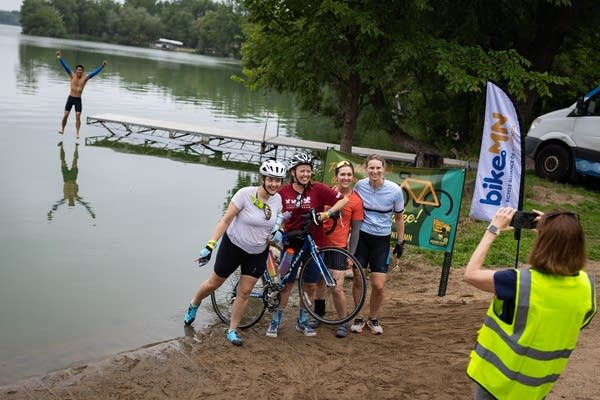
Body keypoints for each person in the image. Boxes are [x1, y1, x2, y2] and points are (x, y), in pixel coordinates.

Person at [464, 207, 597, 400]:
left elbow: (470, 274)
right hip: (536, 386)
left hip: (497, 382)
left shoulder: (517, 282)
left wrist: (493, 229)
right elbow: (579, 322)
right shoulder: (587, 286)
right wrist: (554, 231)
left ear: (542, 244)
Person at [183, 160, 287, 346]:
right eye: (271, 179)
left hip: (257, 252)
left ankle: (232, 330)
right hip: (233, 246)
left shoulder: (277, 199)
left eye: (278, 180)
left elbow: (277, 219)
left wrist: (277, 232)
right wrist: (210, 246)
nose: (274, 184)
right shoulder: (244, 194)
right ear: (263, 178)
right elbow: (226, 220)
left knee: (245, 292)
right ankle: (195, 303)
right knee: (214, 283)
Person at [265, 152, 348, 338]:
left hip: (315, 244)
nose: (306, 175)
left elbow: (344, 199)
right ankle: (275, 321)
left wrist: (327, 214)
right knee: (286, 285)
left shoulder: (318, 189)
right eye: (302, 171)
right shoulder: (283, 192)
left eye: (309, 171)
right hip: (291, 244)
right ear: (293, 172)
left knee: (310, 286)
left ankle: (302, 322)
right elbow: (269, 210)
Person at [351, 154, 405, 335]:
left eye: (378, 168)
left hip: (381, 240)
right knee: (358, 279)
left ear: (384, 169)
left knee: (379, 285)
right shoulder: (359, 186)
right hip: (362, 238)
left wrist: (400, 242)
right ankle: (358, 316)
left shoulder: (395, 190)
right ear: (366, 169)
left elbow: (398, 217)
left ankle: (373, 318)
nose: (375, 171)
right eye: (371, 168)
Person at [315, 160, 364, 338]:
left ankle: (343, 321)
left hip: (339, 248)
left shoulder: (356, 201)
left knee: (336, 287)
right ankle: (318, 315)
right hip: (320, 246)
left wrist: (351, 254)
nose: (346, 177)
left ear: (352, 178)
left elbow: (356, 230)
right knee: (319, 283)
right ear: (335, 177)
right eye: (342, 174)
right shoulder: (326, 193)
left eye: (349, 175)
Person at [56, 50, 107, 139]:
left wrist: (101, 67)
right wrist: (60, 58)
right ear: (76, 70)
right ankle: (62, 129)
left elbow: (94, 73)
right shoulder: (72, 75)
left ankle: (77, 133)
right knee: (66, 114)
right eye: (78, 69)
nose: (79, 71)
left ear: (83, 71)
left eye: (81, 70)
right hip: (70, 98)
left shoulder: (85, 78)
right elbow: (66, 67)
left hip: (78, 100)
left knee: (78, 116)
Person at [47, 141, 96, 221]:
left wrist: (51, 212)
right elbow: (85, 204)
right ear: (73, 202)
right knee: (74, 160)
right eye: (72, 203)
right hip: (73, 178)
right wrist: (91, 213)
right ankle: (75, 147)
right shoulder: (76, 197)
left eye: (70, 203)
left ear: (69, 202)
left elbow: (56, 205)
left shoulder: (65, 198)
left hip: (66, 178)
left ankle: (64, 146)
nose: (70, 201)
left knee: (64, 161)